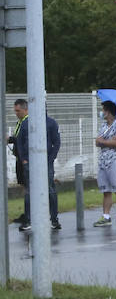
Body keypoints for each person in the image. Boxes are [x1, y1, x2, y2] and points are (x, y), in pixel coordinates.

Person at [11, 99, 62, 232]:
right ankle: (28, 220)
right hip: (29, 163)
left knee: (50, 189)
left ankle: (54, 219)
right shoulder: (26, 123)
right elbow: (20, 142)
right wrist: (24, 161)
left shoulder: (51, 123)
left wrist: (50, 159)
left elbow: (56, 143)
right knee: (29, 191)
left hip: (47, 163)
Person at [93, 99, 116, 227]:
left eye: (103, 110)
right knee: (105, 190)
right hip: (103, 160)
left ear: (108, 111)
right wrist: (106, 141)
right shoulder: (103, 126)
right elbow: (97, 142)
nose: (102, 113)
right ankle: (106, 216)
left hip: (114, 159)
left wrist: (104, 141)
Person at [8, 99, 28, 227]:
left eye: (18, 111)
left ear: (25, 109)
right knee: (24, 186)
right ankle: (27, 213)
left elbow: (23, 139)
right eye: (15, 111)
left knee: (28, 187)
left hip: (25, 159)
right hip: (19, 158)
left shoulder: (27, 122)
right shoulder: (20, 122)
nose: (16, 113)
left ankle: (30, 214)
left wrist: (10, 139)